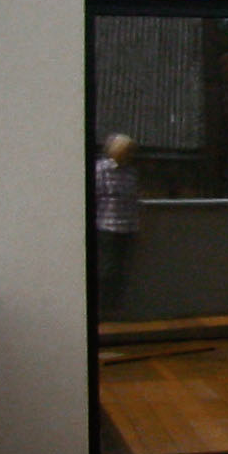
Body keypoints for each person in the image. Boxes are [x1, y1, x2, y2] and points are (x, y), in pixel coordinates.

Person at [95, 133, 140, 319]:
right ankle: (102, 310)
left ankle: (116, 309)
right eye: (128, 151)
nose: (131, 155)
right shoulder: (101, 170)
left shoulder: (130, 172)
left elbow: (134, 199)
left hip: (128, 227)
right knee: (108, 270)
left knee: (122, 271)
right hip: (107, 227)